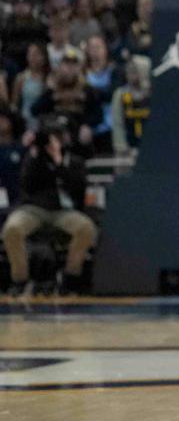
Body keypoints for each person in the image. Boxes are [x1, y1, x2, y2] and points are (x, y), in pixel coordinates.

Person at [2, 123, 96, 296]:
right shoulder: (34, 158)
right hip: (33, 209)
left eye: (56, 138)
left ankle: (70, 277)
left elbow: (77, 188)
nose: (52, 143)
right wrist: (35, 157)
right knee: (12, 229)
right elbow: (26, 185)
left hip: (63, 211)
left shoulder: (75, 162)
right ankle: (20, 280)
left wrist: (59, 162)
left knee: (86, 228)